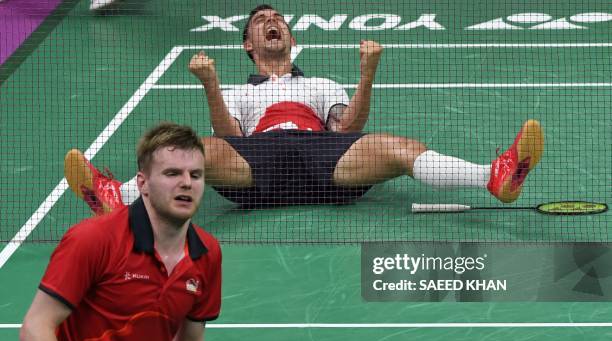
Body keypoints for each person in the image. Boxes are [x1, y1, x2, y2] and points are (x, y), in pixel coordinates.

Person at [64, 4, 544, 215]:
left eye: (277, 20)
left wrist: (367, 75)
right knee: (192, 149)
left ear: (290, 38)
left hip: (324, 158)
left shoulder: (319, 83)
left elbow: (347, 127)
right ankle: (117, 198)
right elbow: (229, 135)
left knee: (402, 147)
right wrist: (211, 84)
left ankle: (494, 176)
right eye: (260, 22)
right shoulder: (238, 89)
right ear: (249, 45)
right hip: (259, 163)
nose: (272, 23)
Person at [20, 123, 222, 341]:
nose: (187, 183)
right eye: (172, 173)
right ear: (142, 184)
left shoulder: (206, 254)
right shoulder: (93, 239)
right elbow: (35, 327)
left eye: (196, 175)